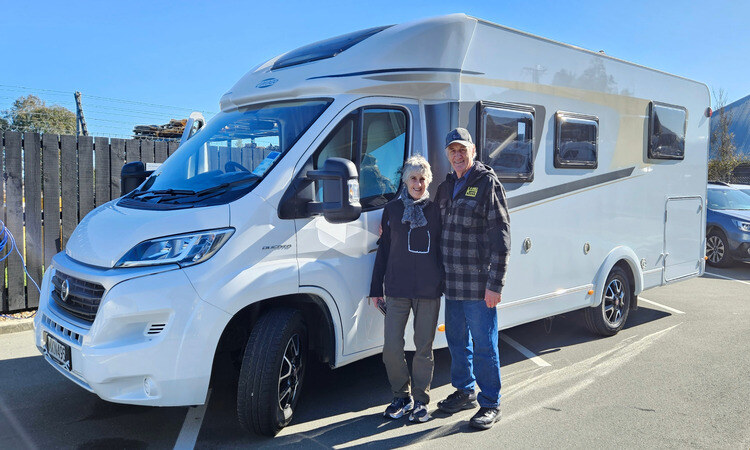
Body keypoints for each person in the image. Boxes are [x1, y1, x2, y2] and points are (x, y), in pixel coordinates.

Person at [435, 127, 510, 430]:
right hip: (452, 283)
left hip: (479, 285)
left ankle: (490, 402)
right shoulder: (446, 186)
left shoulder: (486, 183)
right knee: (456, 341)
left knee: (483, 344)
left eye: (462, 149)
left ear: (473, 151)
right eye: (452, 150)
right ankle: (464, 390)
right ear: (447, 154)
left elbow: (501, 236)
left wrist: (495, 284)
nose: (457, 155)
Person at [369, 155, 443, 423]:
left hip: (428, 289)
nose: (418, 183)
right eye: (413, 178)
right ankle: (401, 395)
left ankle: (421, 401)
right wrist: (376, 288)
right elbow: (384, 249)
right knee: (391, 347)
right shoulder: (392, 210)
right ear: (405, 180)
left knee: (424, 349)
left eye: (422, 179)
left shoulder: (437, 211)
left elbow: (442, 250)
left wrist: (443, 284)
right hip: (397, 288)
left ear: (428, 181)